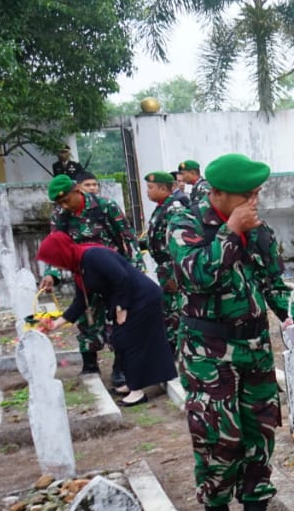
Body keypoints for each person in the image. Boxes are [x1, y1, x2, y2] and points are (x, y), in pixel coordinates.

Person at [167, 153, 294, 511]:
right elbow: (196, 276)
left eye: (257, 193)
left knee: (259, 429)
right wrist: (230, 231)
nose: (254, 201)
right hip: (208, 349)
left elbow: (273, 282)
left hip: (255, 345)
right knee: (217, 434)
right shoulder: (186, 223)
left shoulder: (258, 229)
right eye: (246, 195)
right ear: (218, 193)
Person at [35, 231, 177, 406]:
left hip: (142, 297)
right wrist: (56, 323)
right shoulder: (79, 268)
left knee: (128, 339)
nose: (56, 265)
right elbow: (80, 302)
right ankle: (133, 383)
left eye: (54, 259)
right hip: (130, 300)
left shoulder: (93, 255)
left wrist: (121, 307)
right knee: (120, 339)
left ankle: (137, 391)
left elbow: (122, 278)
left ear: (61, 253)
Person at [40, 174, 141, 386]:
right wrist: (51, 273)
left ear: (77, 190)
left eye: (66, 200)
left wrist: (136, 272)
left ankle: (120, 368)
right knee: (87, 318)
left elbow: (127, 238)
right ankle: (90, 365)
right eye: (60, 203)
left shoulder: (105, 207)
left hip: (112, 273)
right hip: (84, 275)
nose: (64, 206)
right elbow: (56, 244)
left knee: (119, 319)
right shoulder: (61, 214)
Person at [137, 171, 189, 352]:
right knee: (168, 307)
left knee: (175, 308)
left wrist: (176, 273)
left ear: (163, 188)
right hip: (164, 266)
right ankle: (171, 346)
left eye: (151, 188)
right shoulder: (162, 207)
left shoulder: (173, 209)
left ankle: (176, 348)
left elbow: (179, 242)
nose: (147, 192)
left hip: (172, 267)